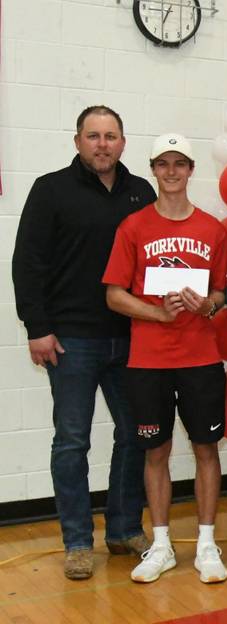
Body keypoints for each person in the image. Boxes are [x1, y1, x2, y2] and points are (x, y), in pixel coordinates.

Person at [12, 105, 156, 580]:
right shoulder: (50, 189)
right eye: (92, 136)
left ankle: (122, 529)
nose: (102, 144)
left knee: (135, 435)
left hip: (131, 339)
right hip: (70, 339)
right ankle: (77, 541)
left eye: (110, 135)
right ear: (78, 141)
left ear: (122, 142)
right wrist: (37, 327)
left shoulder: (141, 192)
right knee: (71, 441)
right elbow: (27, 263)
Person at [103, 134, 227, 584]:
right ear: (153, 170)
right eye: (163, 164)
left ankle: (207, 542)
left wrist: (208, 305)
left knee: (205, 448)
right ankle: (160, 544)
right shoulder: (133, 227)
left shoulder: (212, 229)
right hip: (149, 360)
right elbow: (115, 295)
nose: (172, 172)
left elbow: (221, 292)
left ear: (191, 169)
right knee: (155, 452)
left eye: (180, 163)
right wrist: (157, 312)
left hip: (200, 357)